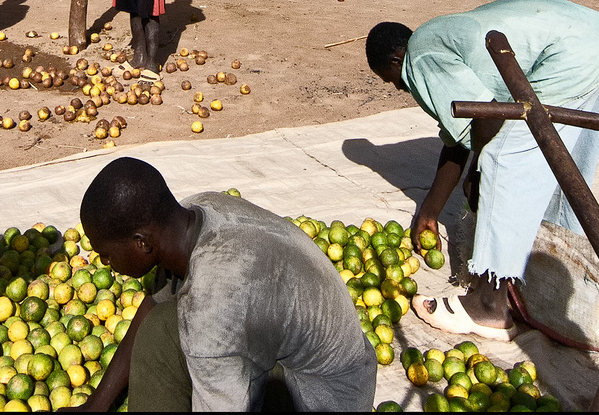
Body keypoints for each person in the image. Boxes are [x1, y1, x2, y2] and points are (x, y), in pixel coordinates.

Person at [365, 0, 599, 337]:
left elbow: (485, 115)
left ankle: (488, 305)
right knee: (558, 156)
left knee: (505, 160)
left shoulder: (420, 57)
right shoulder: (435, 35)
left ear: (396, 62)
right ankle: (556, 266)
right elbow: (457, 135)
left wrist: (478, 171)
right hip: (598, 36)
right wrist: (430, 210)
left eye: (390, 80)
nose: (397, 87)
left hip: (568, 52)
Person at [74, 157, 377, 412]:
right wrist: (96, 405)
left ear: (141, 244)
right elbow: (154, 304)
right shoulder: (197, 211)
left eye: (106, 255)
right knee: (160, 327)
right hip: (345, 365)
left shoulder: (215, 304)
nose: (104, 263)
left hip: (327, 399)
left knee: (181, 339)